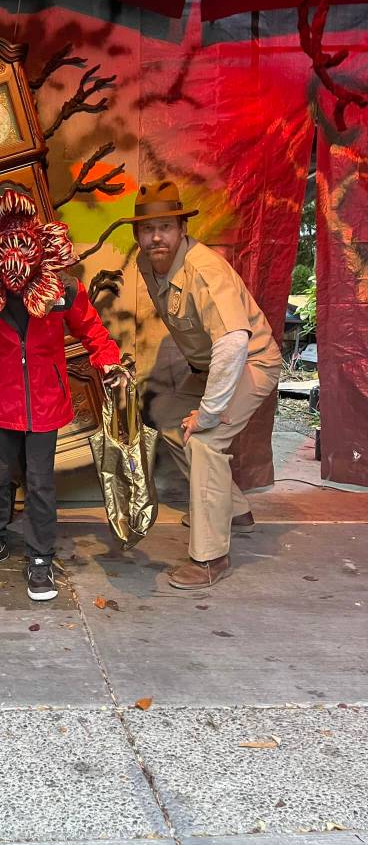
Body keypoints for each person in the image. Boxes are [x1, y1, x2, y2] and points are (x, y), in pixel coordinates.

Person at [0, 188, 121, 601]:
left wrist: (107, 359)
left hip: (46, 402)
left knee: (40, 481)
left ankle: (40, 555)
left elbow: (91, 330)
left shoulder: (64, 291)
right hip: (2, 401)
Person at [129, 181, 282, 589]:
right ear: (138, 235)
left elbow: (234, 343)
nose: (156, 236)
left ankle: (211, 557)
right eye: (147, 229)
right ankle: (233, 510)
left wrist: (209, 412)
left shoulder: (204, 269)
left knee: (204, 438)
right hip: (210, 368)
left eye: (165, 227)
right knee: (169, 422)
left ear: (182, 228)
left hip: (250, 363)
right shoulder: (150, 264)